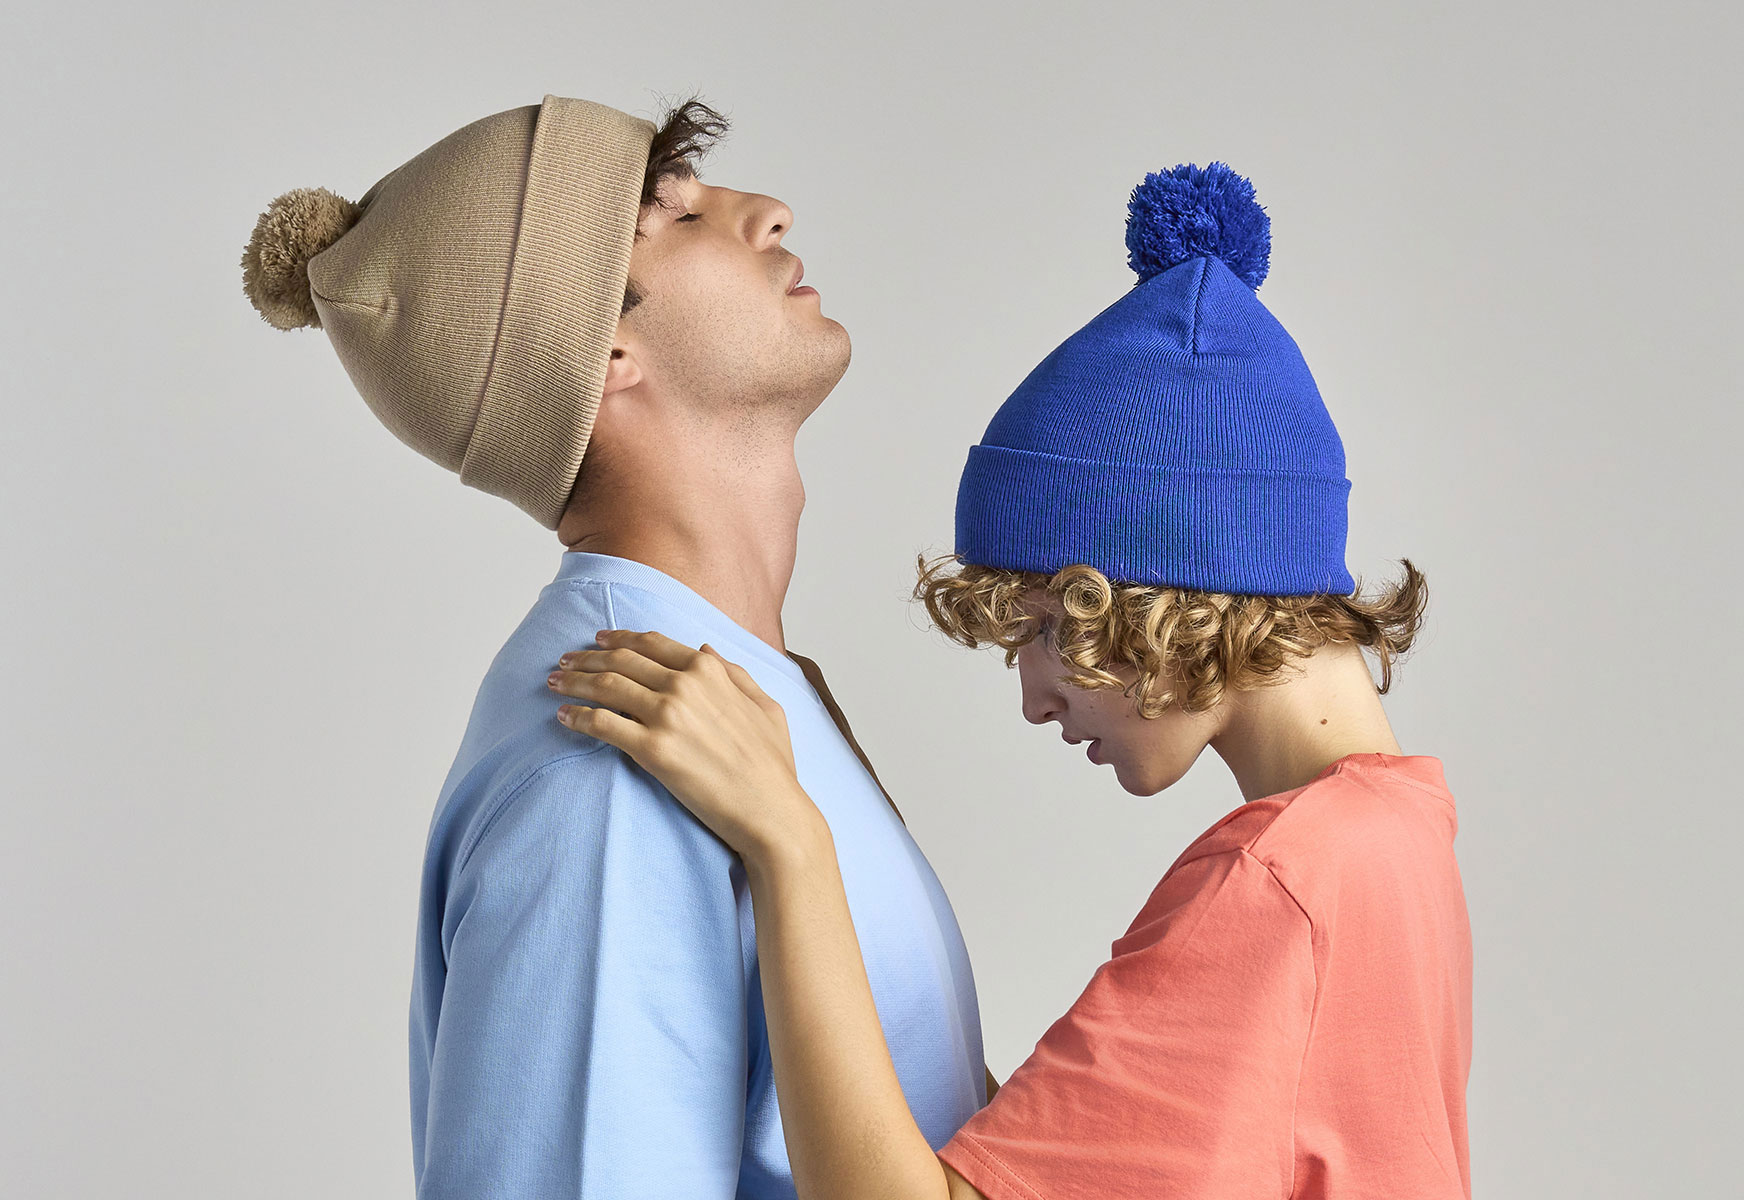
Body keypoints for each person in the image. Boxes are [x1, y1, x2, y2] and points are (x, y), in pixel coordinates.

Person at [549, 164, 1474, 1198]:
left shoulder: (1278, 883)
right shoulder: (1393, 838)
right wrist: (844, 804)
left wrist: (791, 842)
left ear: (1148, 582)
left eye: (1038, 626)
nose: (1036, 699)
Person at [239, 93, 989, 1199]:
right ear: (604, 350)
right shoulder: (610, 759)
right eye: (677, 217)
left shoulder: (736, 704)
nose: (769, 212)